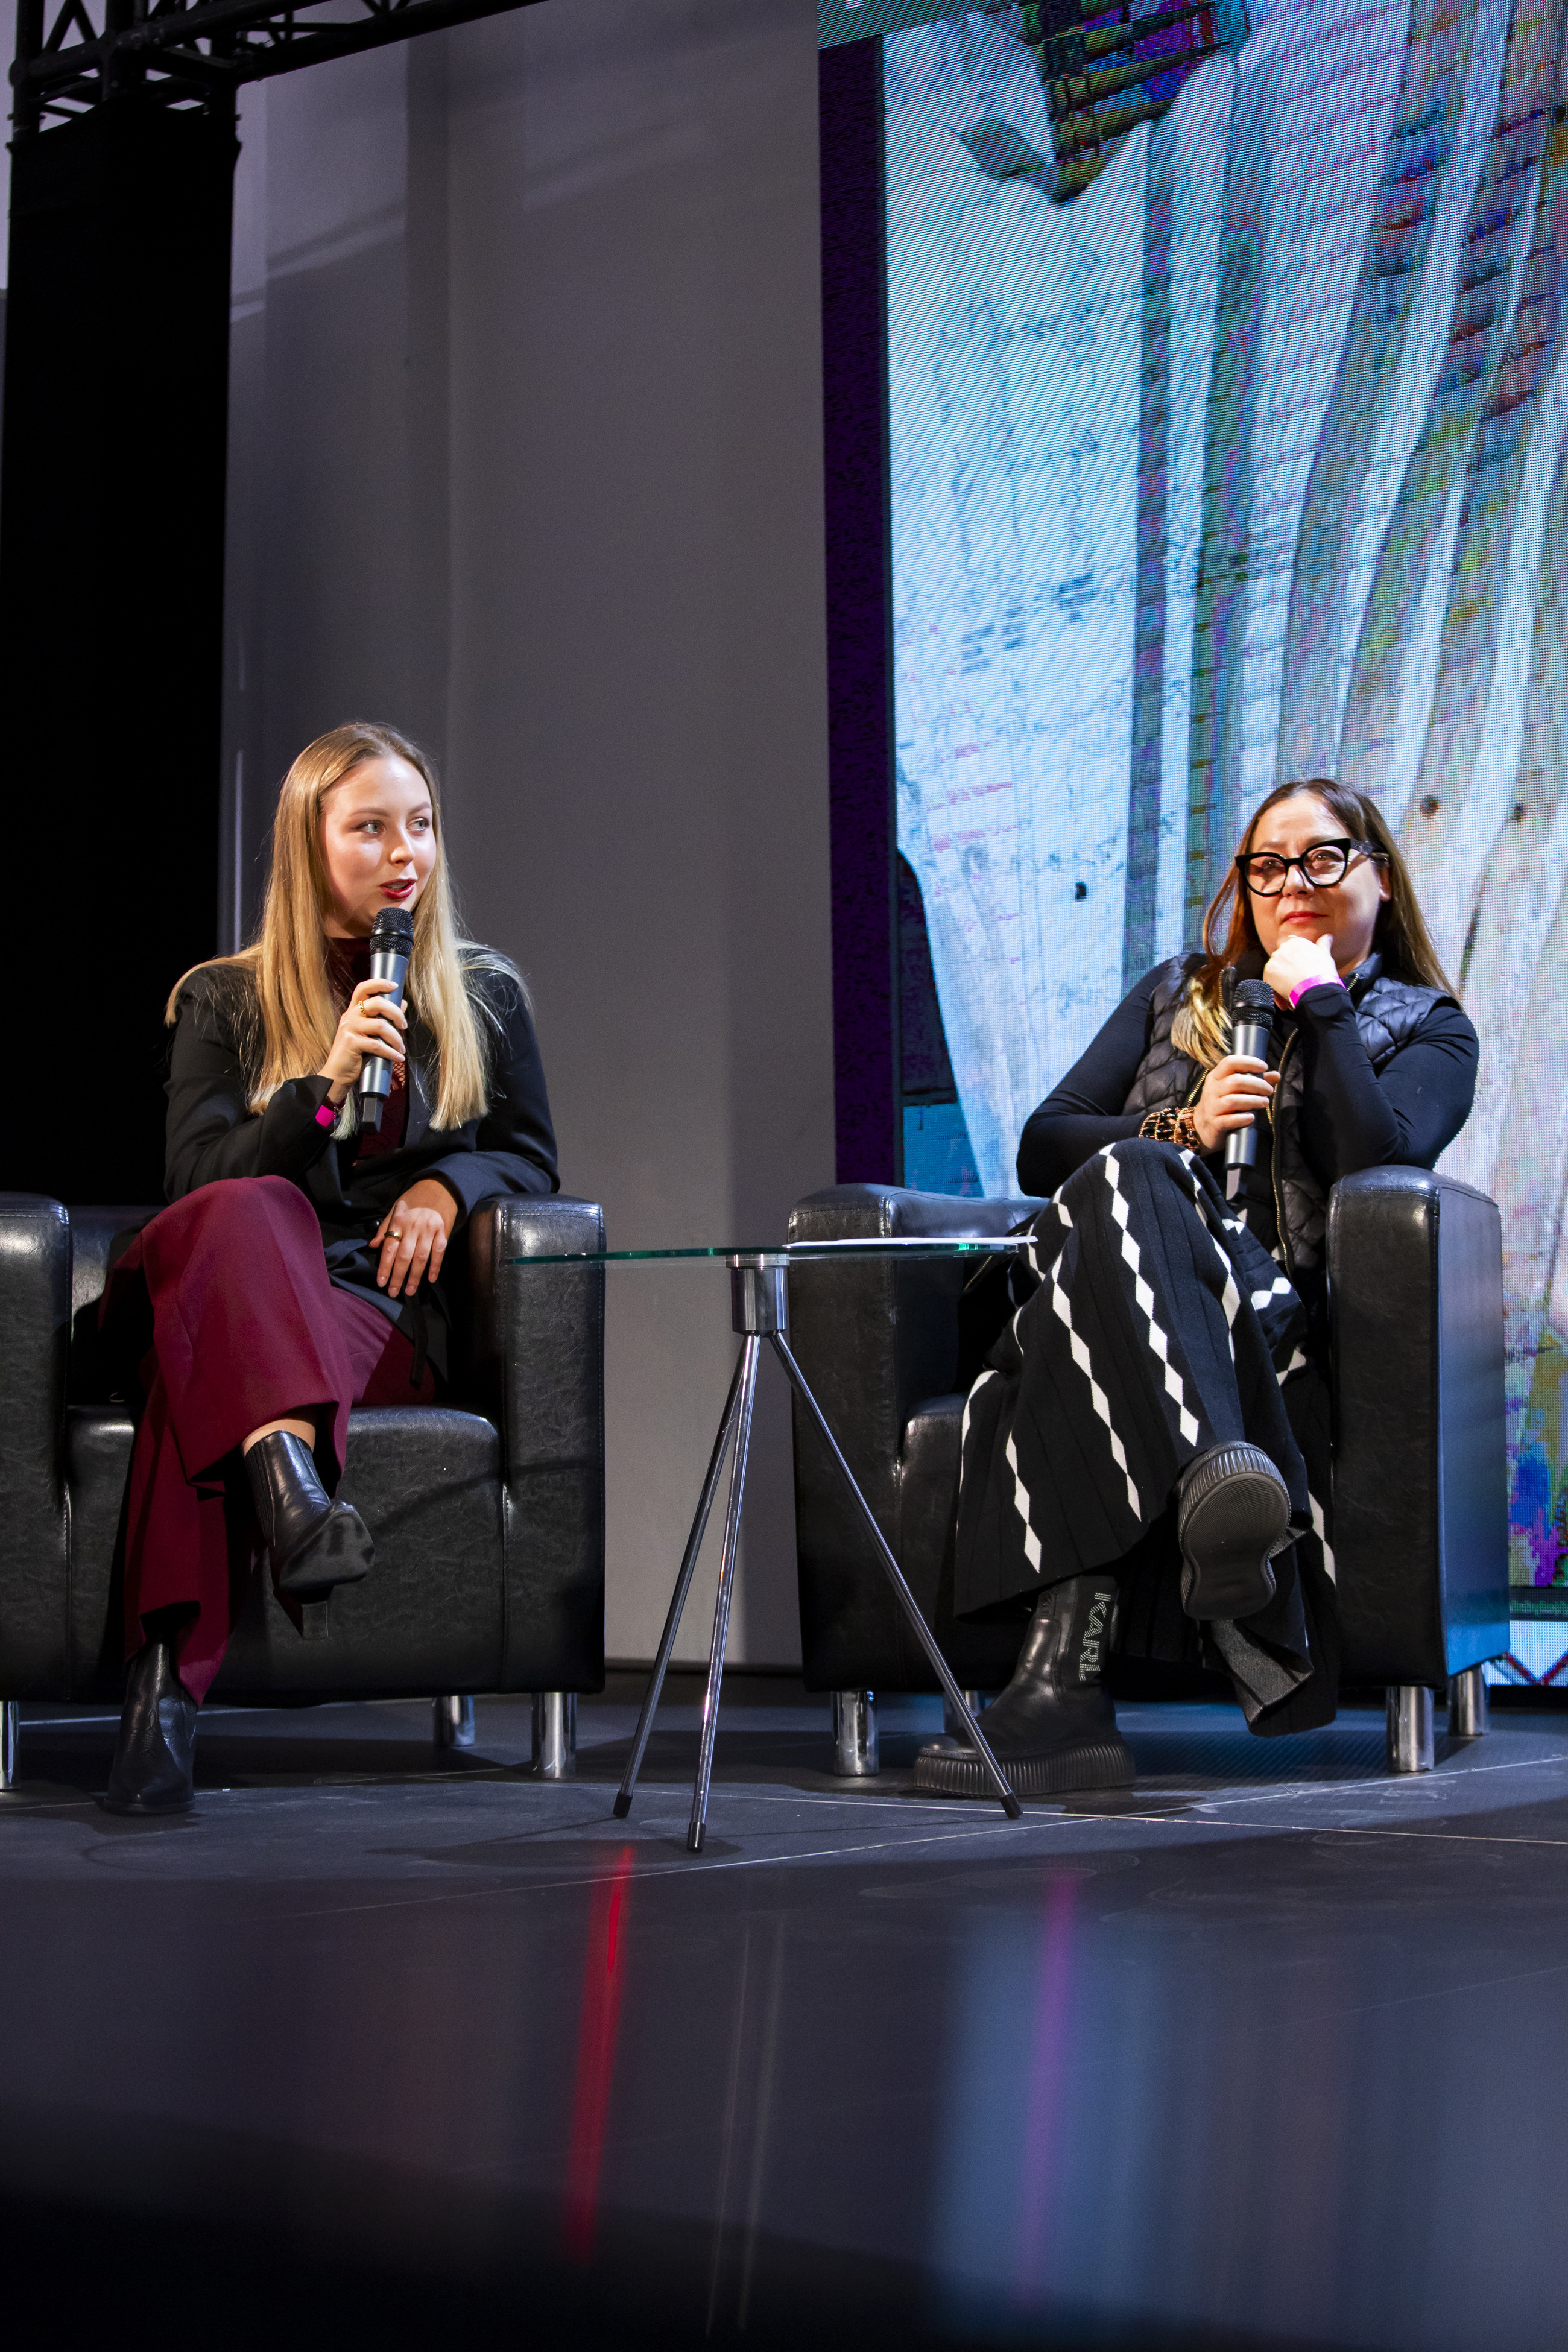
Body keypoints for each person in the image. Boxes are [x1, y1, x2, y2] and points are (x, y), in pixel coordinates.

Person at [917, 778, 1479, 1799]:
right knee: (1136, 1173)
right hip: (1111, 1300)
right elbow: (1045, 1145)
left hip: (1263, 1329)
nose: (1292, 884)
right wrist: (1185, 1127)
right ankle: (1220, 1468)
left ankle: (1060, 1699)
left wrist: (1323, 1003)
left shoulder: (1428, 1028)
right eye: (1267, 865)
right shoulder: (1176, 991)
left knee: (1081, 1313)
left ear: (1381, 879)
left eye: (1323, 857)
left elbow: (1372, 1161)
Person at [99, 722, 557, 1816]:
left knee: (198, 1388)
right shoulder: (223, 998)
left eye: (421, 825)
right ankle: (289, 1484)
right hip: (218, 1273)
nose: (405, 853)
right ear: (310, 848)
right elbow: (193, 1181)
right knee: (251, 1207)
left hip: (365, 1306)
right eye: (370, 829)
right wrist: (320, 1091)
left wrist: (450, 1186)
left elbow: (532, 1158)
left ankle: (163, 1702)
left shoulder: (484, 995)